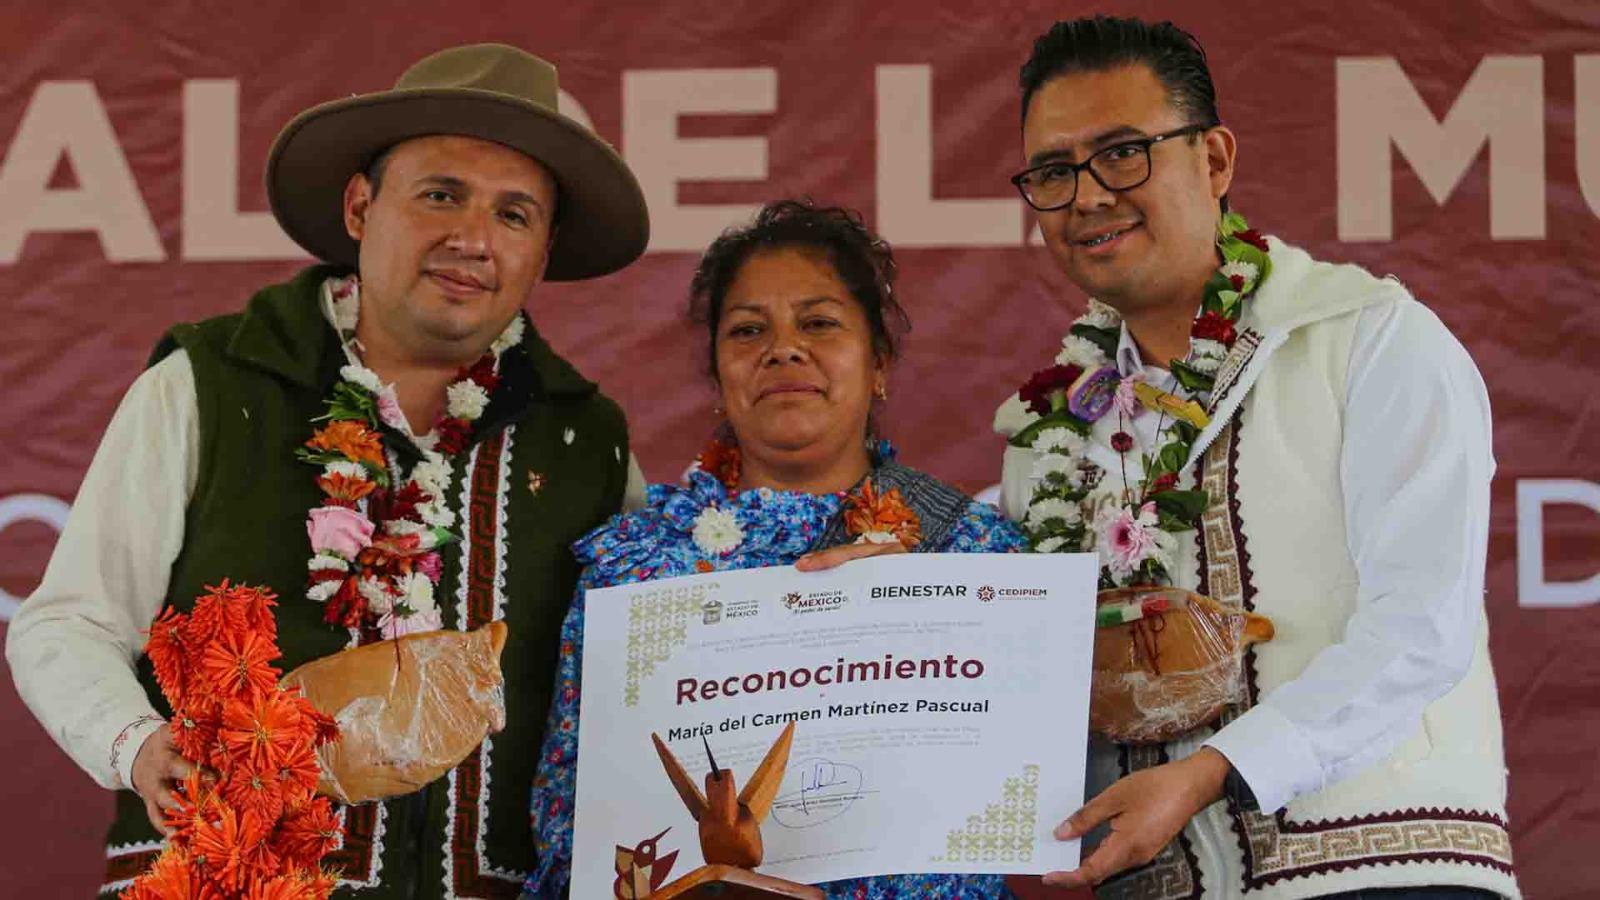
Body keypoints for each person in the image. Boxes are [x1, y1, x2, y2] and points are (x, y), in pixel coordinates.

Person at [6, 43, 650, 897]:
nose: (472, 238)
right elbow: (68, 624)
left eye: (514, 214)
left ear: (543, 249)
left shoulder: (588, 441)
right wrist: (136, 743)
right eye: (440, 194)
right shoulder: (211, 385)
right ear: (359, 205)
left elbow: (652, 675)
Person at [995, 17, 1518, 899]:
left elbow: (1423, 628)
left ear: (1215, 160)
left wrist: (1214, 770)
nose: (1086, 196)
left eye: (1122, 153)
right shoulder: (1051, 429)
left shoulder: (1367, 339)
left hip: (1385, 871)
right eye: (1053, 172)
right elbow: (1013, 655)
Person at [522, 199, 1027, 900]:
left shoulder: (975, 557)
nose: (783, 349)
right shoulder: (633, 566)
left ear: (878, 364)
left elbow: (1029, 789)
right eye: (748, 330)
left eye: (819, 323)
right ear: (719, 378)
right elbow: (567, 810)